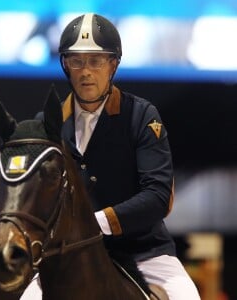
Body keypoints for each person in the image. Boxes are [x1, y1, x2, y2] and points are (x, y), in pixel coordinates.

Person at [21, 13, 200, 300]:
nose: (86, 71)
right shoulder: (47, 124)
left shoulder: (141, 116)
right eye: (77, 61)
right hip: (70, 255)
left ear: (113, 64)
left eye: (96, 60)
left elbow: (158, 195)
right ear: (65, 65)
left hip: (143, 252)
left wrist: (96, 223)